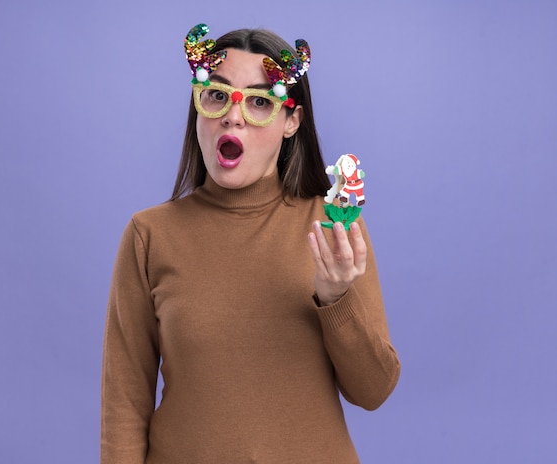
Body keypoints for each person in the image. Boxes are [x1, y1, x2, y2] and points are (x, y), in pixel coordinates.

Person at [101, 23, 400, 464]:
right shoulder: (149, 236)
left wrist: (336, 299)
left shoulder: (332, 226)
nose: (233, 116)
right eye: (217, 94)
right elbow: (124, 403)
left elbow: (373, 391)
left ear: (291, 121)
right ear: (199, 107)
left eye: (260, 102)